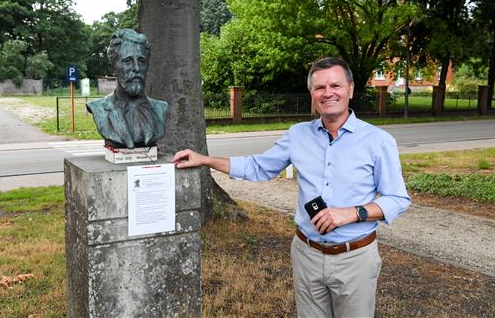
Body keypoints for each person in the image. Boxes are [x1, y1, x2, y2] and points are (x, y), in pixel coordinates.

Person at [173, 57, 411, 317]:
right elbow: (257, 166)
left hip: (354, 258)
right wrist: (204, 159)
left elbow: (398, 199)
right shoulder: (298, 134)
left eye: (336, 85)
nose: (328, 93)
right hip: (306, 254)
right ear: (312, 93)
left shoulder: (378, 141)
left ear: (351, 89)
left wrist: (352, 213)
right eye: (320, 88)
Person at [87, 29, 168, 149]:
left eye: (141, 61)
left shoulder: (161, 108)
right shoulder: (99, 108)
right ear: (112, 68)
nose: (136, 68)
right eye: (127, 61)